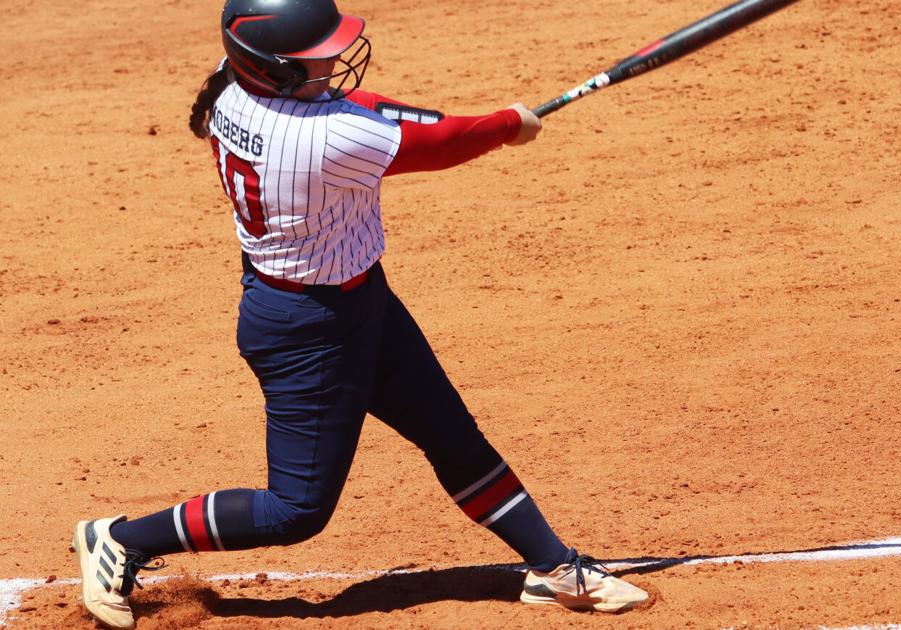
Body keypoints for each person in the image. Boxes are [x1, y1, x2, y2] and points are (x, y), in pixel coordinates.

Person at [70, 1, 648, 627]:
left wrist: (496, 121)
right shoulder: (328, 135)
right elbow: (444, 141)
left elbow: (378, 111)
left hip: (357, 301)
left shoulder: (235, 86)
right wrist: (509, 123)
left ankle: (553, 568)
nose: (334, 59)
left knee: (451, 434)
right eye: (316, 54)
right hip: (306, 330)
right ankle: (123, 539)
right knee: (296, 511)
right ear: (276, 67)